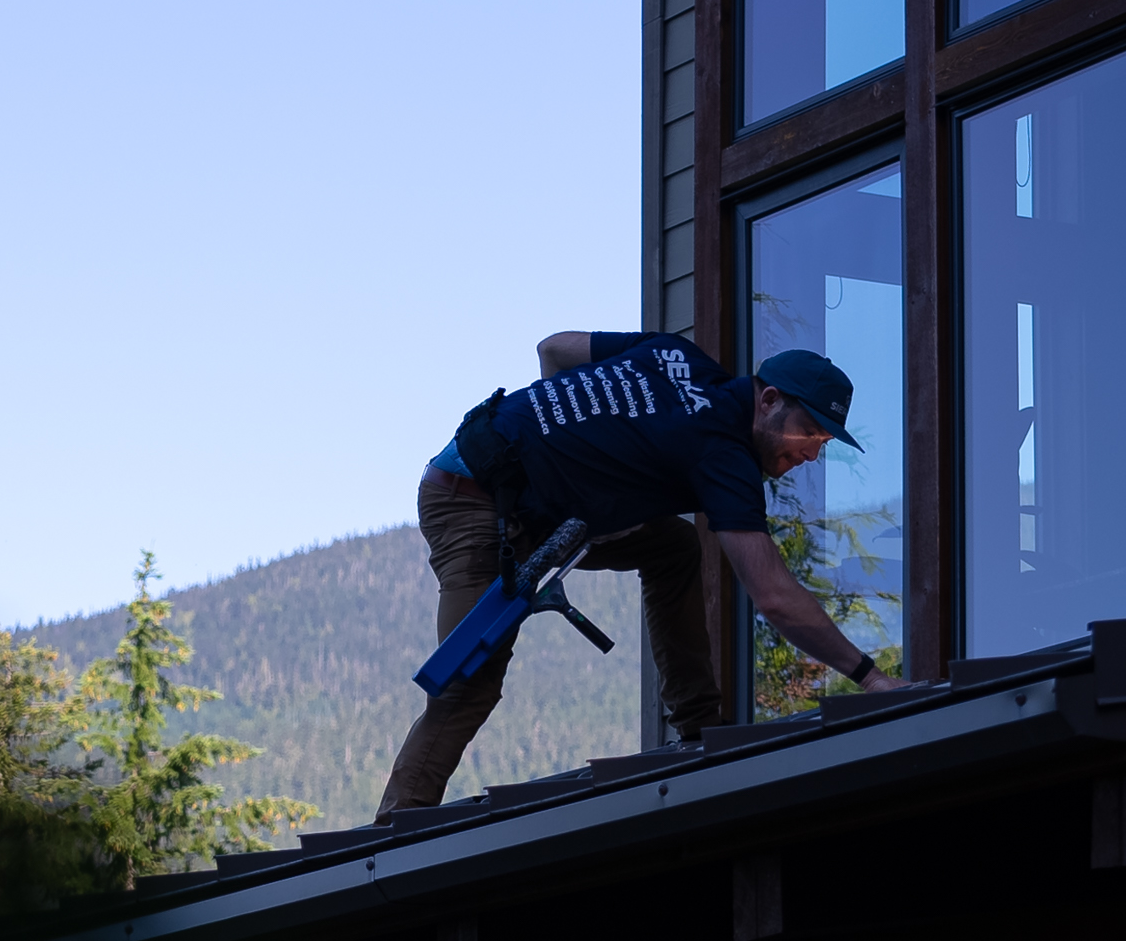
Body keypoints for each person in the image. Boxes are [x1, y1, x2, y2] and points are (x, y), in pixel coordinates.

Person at [378, 329, 906, 817]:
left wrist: (570, 456)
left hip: (525, 503)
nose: (812, 453)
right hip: (469, 500)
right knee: (466, 683)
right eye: (809, 432)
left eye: (824, 443)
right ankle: (390, 842)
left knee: (672, 546)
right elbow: (773, 595)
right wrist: (871, 677)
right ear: (768, 401)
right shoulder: (722, 454)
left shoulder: (676, 355)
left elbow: (555, 351)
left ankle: (700, 728)